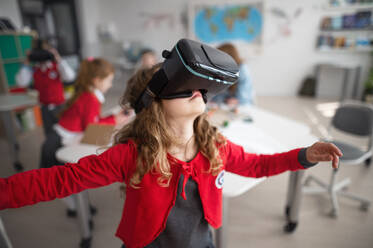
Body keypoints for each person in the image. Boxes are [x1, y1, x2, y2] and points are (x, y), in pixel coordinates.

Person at [1, 57, 342, 248]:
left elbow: (257, 165)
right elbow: (59, 180)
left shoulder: (215, 147)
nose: (197, 91)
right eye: (181, 87)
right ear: (153, 104)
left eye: (198, 86)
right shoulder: (132, 155)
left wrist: (303, 155)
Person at [40, 57, 130, 217]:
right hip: (60, 140)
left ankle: (79, 206)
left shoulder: (89, 93)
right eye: (109, 81)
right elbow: (92, 129)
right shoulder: (91, 98)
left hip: (64, 135)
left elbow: (92, 122)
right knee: (62, 181)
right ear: (97, 80)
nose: (110, 84)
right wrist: (114, 120)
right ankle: (77, 209)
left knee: (66, 179)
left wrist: (113, 119)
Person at [16, 39, 76, 135]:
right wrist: (27, 61)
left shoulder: (56, 66)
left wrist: (58, 58)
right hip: (44, 108)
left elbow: (70, 77)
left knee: (64, 131)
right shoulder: (34, 69)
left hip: (59, 106)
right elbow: (21, 82)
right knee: (49, 133)